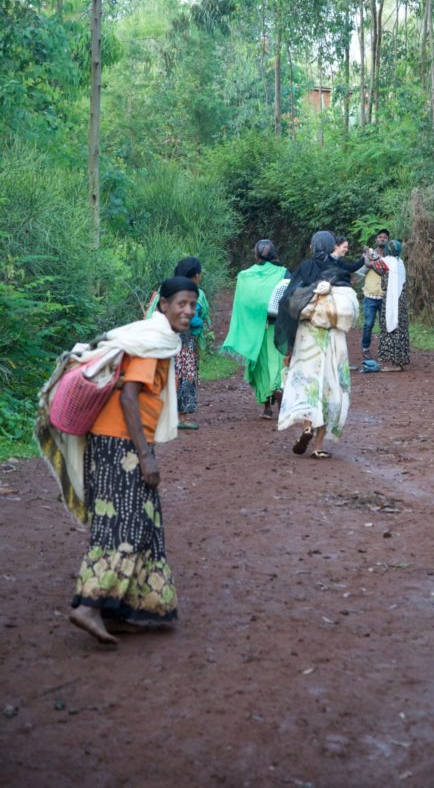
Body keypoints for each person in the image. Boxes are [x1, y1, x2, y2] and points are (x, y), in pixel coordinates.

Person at [37, 276, 199, 645]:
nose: (187, 311)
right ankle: (89, 607)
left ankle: (117, 609)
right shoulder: (151, 343)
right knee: (123, 524)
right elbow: (129, 398)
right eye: (181, 304)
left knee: (142, 522)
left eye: (192, 304)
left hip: (120, 440)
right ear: (163, 306)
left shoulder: (158, 338)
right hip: (120, 444)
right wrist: (145, 456)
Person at [274, 230, 359, 459]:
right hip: (333, 338)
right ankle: (319, 447)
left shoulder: (305, 269)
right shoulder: (340, 272)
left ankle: (307, 426)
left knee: (308, 384)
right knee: (330, 386)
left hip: (307, 337)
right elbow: (351, 311)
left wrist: (289, 348)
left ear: (312, 247)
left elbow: (289, 305)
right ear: (332, 247)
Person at [220, 239, 288, 419]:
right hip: (277, 328)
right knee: (277, 364)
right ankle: (279, 392)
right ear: (273, 253)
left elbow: (243, 303)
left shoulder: (245, 276)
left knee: (260, 367)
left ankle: (267, 408)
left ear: (256, 255)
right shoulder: (283, 272)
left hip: (255, 330)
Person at [146, 257, 210, 430]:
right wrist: (199, 324)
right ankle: (181, 417)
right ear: (195, 275)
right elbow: (192, 317)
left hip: (163, 337)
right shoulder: (193, 292)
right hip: (184, 339)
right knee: (186, 375)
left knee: (164, 373)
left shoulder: (165, 288)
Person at [378, 240, 410, 370]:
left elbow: (371, 264)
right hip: (401, 298)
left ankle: (395, 364)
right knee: (401, 327)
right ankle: (400, 360)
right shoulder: (400, 262)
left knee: (391, 325)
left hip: (391, 298)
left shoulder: (387, 262)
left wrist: (368, 253)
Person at [361, 229, 390, 360]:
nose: (382, 239)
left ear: (388, 240)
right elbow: (361, 271)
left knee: (385, 325)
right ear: (376, 240)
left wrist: (368, 256)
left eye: (385, 237)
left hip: (385, 295)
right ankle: (365, 348)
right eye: (380, 237)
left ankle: (384, 350)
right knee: (369, 323)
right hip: (370, 295)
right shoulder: (369, 254)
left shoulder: (390, 257)